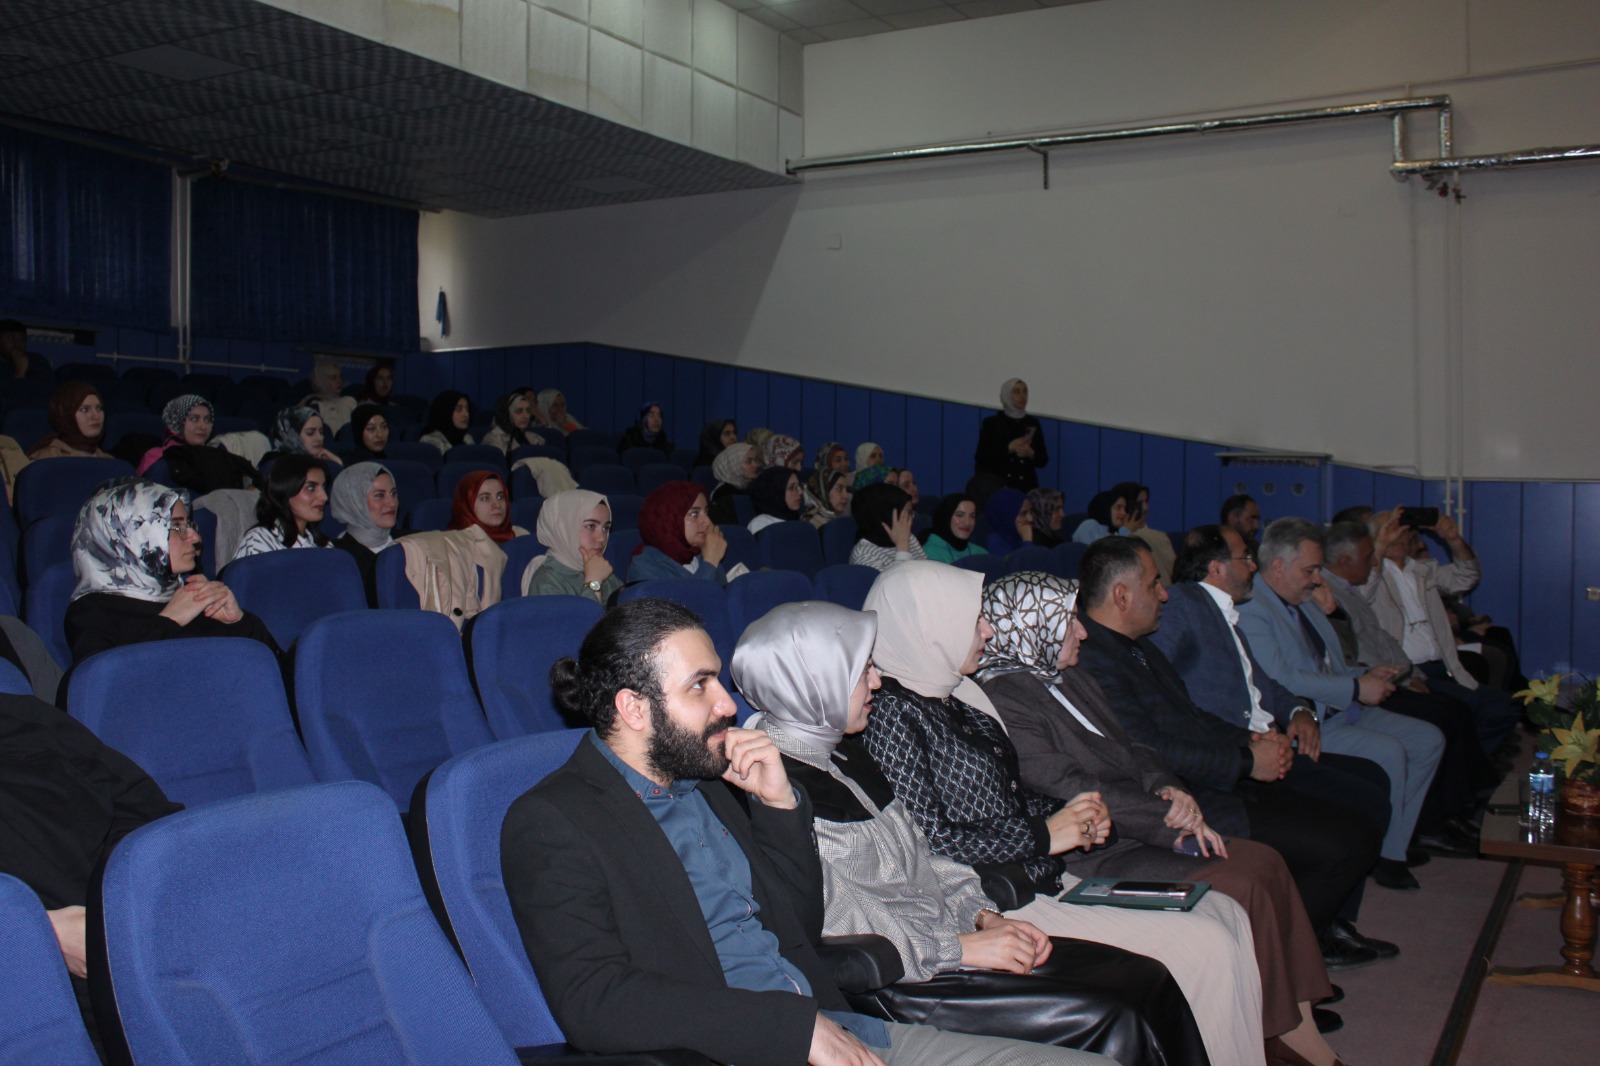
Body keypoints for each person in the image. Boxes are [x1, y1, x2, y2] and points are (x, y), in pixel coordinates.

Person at [500, 598, 1113, 1066]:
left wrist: (779, 806)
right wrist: (792, 1031)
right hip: (742, 1048)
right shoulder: (554, 820)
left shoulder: (708, 784)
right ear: (633, 708)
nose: (727, 704)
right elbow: (595, 1000)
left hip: (843, 1030)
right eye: (700, 686)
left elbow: (796, 925)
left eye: (718, 680)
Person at [736, 600, 1211, 1066]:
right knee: (1119, 1013)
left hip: (951, 943)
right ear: (816, 683)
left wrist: (984, 917)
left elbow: (926, 860)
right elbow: (842, 917)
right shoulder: (774, 788)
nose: (877, 681)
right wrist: (963, 947)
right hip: (906, 980)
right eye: (863, 671)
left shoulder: (846, 754)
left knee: (1146, 980)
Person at [858, 561, 1267, 1066]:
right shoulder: (890, 715)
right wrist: (1046, 833)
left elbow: (1012, 795)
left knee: (1225, 913)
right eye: (973, 620)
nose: (987, 631)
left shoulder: (956, 696)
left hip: (1041, 875)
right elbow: (930, 842)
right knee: (1207, 944)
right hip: (997, 896)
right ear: (931, 628)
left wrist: (1074, 814)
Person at [977, 572, 1345, 1064]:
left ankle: (1298, 1024)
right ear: (1032, 625)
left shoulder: (1067, 675)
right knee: (1242, 883)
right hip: (1096, 849)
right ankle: (1272, 1036)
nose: (1082, 632)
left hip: (1139, 820)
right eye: (1069, 622)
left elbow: (1134, 747)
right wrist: (1168, 817)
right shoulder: (1004, 700)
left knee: (1266, 863)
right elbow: (1071, 787)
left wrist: (1168, 787)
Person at [1115, 528, 1396, 961]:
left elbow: (1262, 682)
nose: (1253, 568)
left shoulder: (1224, 611)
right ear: (1216, 568)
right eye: (1246, 558)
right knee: (1358, 809)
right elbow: (1164, 698)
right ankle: (1311, 940)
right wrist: (1245, 746)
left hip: (1257, 742)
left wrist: (1299, 712)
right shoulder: (1185, 606)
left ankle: (1330, 921)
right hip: (1232, 754)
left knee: (1370, 783)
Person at [1237, 518, 1445, 893]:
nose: (1318, 579)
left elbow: (1332, 659)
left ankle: (1396, 837)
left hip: (1340, 706)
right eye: (1310, 570)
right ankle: (1389, 855)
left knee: (1427, 739)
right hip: (1312, 720)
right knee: (1390, 752)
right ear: (1279, 567)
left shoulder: (1302, 600)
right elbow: (1282, 679)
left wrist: (1365, 673)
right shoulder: (1254, 609)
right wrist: (1354, 686)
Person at [0, 690, 183, 1054]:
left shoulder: (21, 718)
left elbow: (147, 819)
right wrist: (37, 933)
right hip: (29, 995)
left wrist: (128, 910)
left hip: (131, 952)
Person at [1319, 520, 1495, 856]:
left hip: (1393, 675)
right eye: (1370, 555)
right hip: (1367, 684)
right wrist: (1400, 677)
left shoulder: (1353, 586)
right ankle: (1432, 821)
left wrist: (1410, 674)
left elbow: (1383, 639)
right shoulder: (1330, 592)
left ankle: (1454, 809)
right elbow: (1353, 655)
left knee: (1452, 711)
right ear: (1345, 561)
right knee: (1442, 717)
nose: (1375, 561)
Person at [65, 478, 278, 663]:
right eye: (176, 527)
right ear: (131, 536)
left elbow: (278, 675)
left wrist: (239, 623)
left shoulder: (192, 594)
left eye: (189, 524)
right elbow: (104, 685)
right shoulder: (92, 613)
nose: (195, 537)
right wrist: (169, 621)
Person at [1366, 508, 1519, 760]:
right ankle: (1469, 769)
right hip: (1406, 673)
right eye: (1389, 530)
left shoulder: (1423, 570)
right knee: (1465, 710)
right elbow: (1361, 596)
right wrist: (1380, 546)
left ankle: (1470, 765)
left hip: (1444, 665)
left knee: (1503, 706)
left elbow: (1466, 576)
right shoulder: (1369, 576)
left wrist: (1453, 539)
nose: (1396, 536)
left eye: (1401, 529)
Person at [134, 395, 261, 494]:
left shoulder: (217, 457)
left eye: (207, 420)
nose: (203, 426)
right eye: (194, 419)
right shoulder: (156, 457)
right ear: (177, 422)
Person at [329, 462, 406, 608]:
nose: (391, 503)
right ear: (354, 502)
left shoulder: (410, 541)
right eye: (379, 495)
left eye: (393, 493)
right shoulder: (339, 555)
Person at [523, 489, 621, 604]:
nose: (602, 538)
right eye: (590, 526)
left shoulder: (598, 567)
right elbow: (585, 616)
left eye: (606, 528)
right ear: (563, 528)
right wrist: (594, 583)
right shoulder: (546, 582)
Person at [627, 480, 729, 585]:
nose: (707, 521)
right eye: (694, 514)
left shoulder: (702, 552)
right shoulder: (644, 566)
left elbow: (723, 593)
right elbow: (696, 595)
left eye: (706, 512)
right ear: (669, 520)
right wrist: (710, 563)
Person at [233, 455, 333, 559]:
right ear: (285, 491)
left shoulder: (324, 545)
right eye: (311, 488)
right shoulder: (260, 540)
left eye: (324, 487)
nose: (324, 497)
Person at [973, 378, 1048, 494]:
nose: (1022, 396)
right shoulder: (992, 423)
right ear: (1006, 395)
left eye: (1025, 391)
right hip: (999, 486)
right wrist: (1009, 448)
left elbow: (1043, 460)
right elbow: (982, 456)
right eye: (1016, 392)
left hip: (1026, 487)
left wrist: (1031, 453)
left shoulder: (1032, 423)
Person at [849, 483, 926, 571]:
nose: (910, 521)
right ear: (885, 516)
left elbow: (927, 571)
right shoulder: (864, 555)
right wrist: (902, 547)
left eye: (911, 513)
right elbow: (899, 579)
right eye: (906, 515)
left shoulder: (907, 537)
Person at [28, 381, 111, 459]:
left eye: (99, 408)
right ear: (66, 416)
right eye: (84, 410)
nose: (96, 416)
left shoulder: (109, 461)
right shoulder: (46, 459)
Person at [447, 470, 524, 542]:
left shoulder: (519, 534)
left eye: (500, 497)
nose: (497, 505)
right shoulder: (450, 543)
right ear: (466, 505)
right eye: (485, 498)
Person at [921, 494, 989, 564]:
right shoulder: (927, 554)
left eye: (972, 516)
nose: (967, 523)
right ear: (945, 518)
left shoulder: (981, 553)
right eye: (959, 515)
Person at [270, 405, 342, 467]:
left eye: (321, 432)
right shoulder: (275, 467)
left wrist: (337, 462)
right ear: (292, 436)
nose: (319, 438)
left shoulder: (324, 461)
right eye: (310, 433)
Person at [481, 388, 548, 455]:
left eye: (528, 411)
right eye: (519, 411)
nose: (525, 416)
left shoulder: (533, 437)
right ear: (507, 413)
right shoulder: (493, 439)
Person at [707, 441, 760, 525]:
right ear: (733, 465)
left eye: (755, 460)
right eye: (749, 461)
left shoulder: (751, 487)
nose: (756, 465)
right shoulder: (723, 493)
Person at [302, 360, 356, 436]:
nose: (339, 381)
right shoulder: (314, 405)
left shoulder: (349, 402)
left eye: (340, 376)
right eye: (333, 378)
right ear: (321, 380)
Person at [747, 466, 803, 534]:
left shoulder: (798, 520)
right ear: (775, 492)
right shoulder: (760, 524)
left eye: (798, 486)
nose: (800, 492)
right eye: (791, 487)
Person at [985, 487, 1035, 555]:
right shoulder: (995, 543)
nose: (1031, 518)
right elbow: (1027, 561)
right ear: (1006, 515)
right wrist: (1027, 542)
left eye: (1031, 512)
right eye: (1023, 514)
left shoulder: (1027, 535)